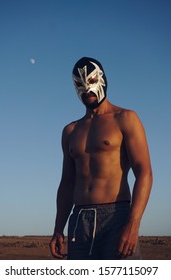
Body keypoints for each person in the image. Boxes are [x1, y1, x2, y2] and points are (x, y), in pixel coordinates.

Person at [49, 57, 153, 260]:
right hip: (79, 221)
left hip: (116, 216)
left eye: (91, 80)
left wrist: (133, 223)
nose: (86, 89)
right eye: (79, 84)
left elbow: (144, 172)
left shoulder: (125, 118)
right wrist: (58, 229)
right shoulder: (70, 131)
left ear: (102, 79)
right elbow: (67, 182)